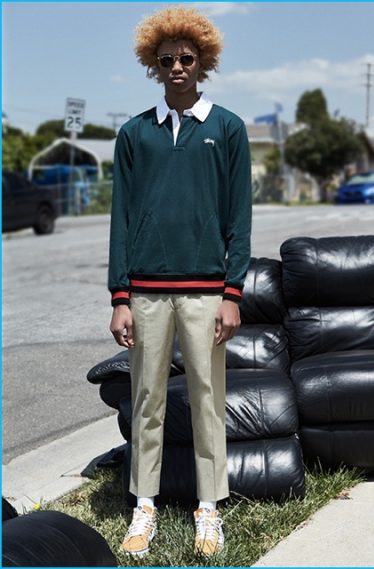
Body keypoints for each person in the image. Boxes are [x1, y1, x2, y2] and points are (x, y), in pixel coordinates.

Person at [107, 5, 252, 557]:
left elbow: (240, 219)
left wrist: (231, 293)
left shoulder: (228, 128)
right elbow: (120, 220)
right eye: (165, 59)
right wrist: (119, 296)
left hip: (206, 293)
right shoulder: (133, 134)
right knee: (147, 401)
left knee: (208, 401)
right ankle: (143, 507)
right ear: (153, 63)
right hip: (144, 293)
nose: (176, 67)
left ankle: (209, 510)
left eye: (186, 58)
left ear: (203, 61)